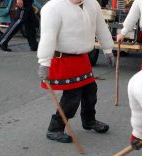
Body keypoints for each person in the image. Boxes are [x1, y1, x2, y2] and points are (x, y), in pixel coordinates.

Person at [37, 0, 115, 143]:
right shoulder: (53, 8)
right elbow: (48, 37)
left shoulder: (92, 4)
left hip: (82, 58)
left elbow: (101, 27)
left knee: (90, 91)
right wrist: (44, 62)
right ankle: (55, 129)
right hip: (63, 59)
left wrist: (108, 49)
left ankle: (89, 121)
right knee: (72, 96)